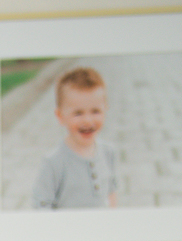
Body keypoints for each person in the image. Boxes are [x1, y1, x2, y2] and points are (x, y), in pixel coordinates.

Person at [31, 67, 118, 210]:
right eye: (78, 113)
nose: (88, 121)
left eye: (95, 111)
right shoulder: (53, 163)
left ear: (105, 109)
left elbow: (111, 192)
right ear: (60, 116)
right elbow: (41, 205)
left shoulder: (108, 152)